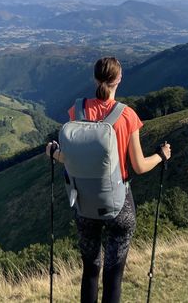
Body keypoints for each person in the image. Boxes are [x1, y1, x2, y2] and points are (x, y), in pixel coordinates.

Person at [46, 56, 171, 303]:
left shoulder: (77, 110)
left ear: (95, 78)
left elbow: (70, 159)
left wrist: (52, 152)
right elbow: (139, 166)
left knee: (90, 272)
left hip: (84, 204)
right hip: (119, 205)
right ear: (119, 79)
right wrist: (161, 156)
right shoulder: (127, 116)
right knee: (113, 276)